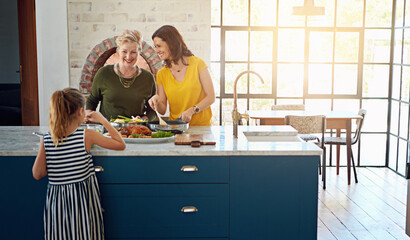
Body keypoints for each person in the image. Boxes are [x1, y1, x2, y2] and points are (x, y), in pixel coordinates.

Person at [32, 88, 126, 239]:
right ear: (81, 111)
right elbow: (120, 144)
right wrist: (102, 119)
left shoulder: (47, 139)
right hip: (82, 203)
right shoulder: (86, 136)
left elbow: (37, 174)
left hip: (58, 205)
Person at [148, 25, 215, 126]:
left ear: (171, 43)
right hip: (176, 128)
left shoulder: (198, 64)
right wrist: (156, 100)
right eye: (155, 47)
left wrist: (192, 110)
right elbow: (162, 110)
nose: (157, 51)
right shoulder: (162, 73)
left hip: (201, 128)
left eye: (159, 46)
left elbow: (211, 97)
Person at [86, 29, 157, 121]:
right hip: (108, 130)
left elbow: (152, 111)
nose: (128, 56)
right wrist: (89, 117)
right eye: (124, 51)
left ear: (139, 52)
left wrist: (142, 119)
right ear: (118, 51)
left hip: (135, 131)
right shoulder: (104, 73)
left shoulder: (148, 78)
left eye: (133, 52)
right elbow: (92, 101)